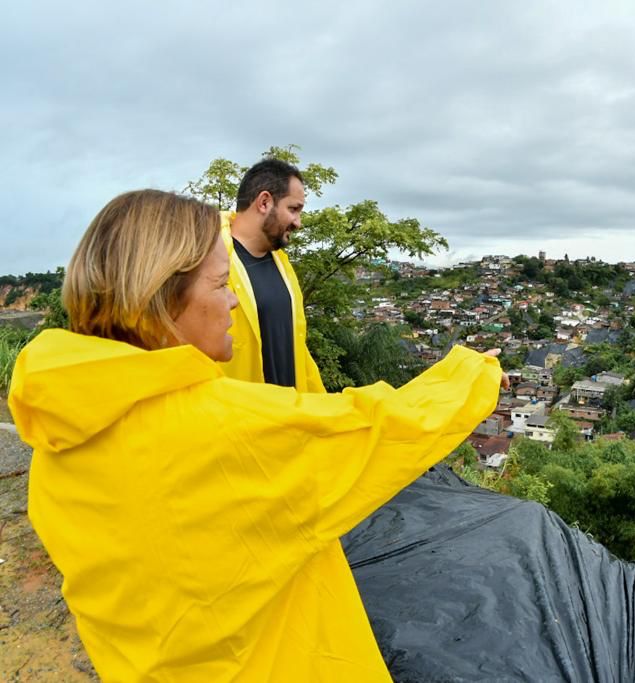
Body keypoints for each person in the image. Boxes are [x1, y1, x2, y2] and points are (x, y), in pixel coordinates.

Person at [9, 190, 507, 681]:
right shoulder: (222, 431)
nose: (232, 302)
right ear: (159, 297)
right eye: (222, 283)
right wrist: (474, 374)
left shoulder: (59, 435)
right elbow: (380, 426)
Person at [221, 158, 323, 391]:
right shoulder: (207, 260)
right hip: (239, 420)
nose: (298, 223)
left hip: (289, 418)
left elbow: (297, 350)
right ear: (264, 202)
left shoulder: (283, 266)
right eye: (293, 209)